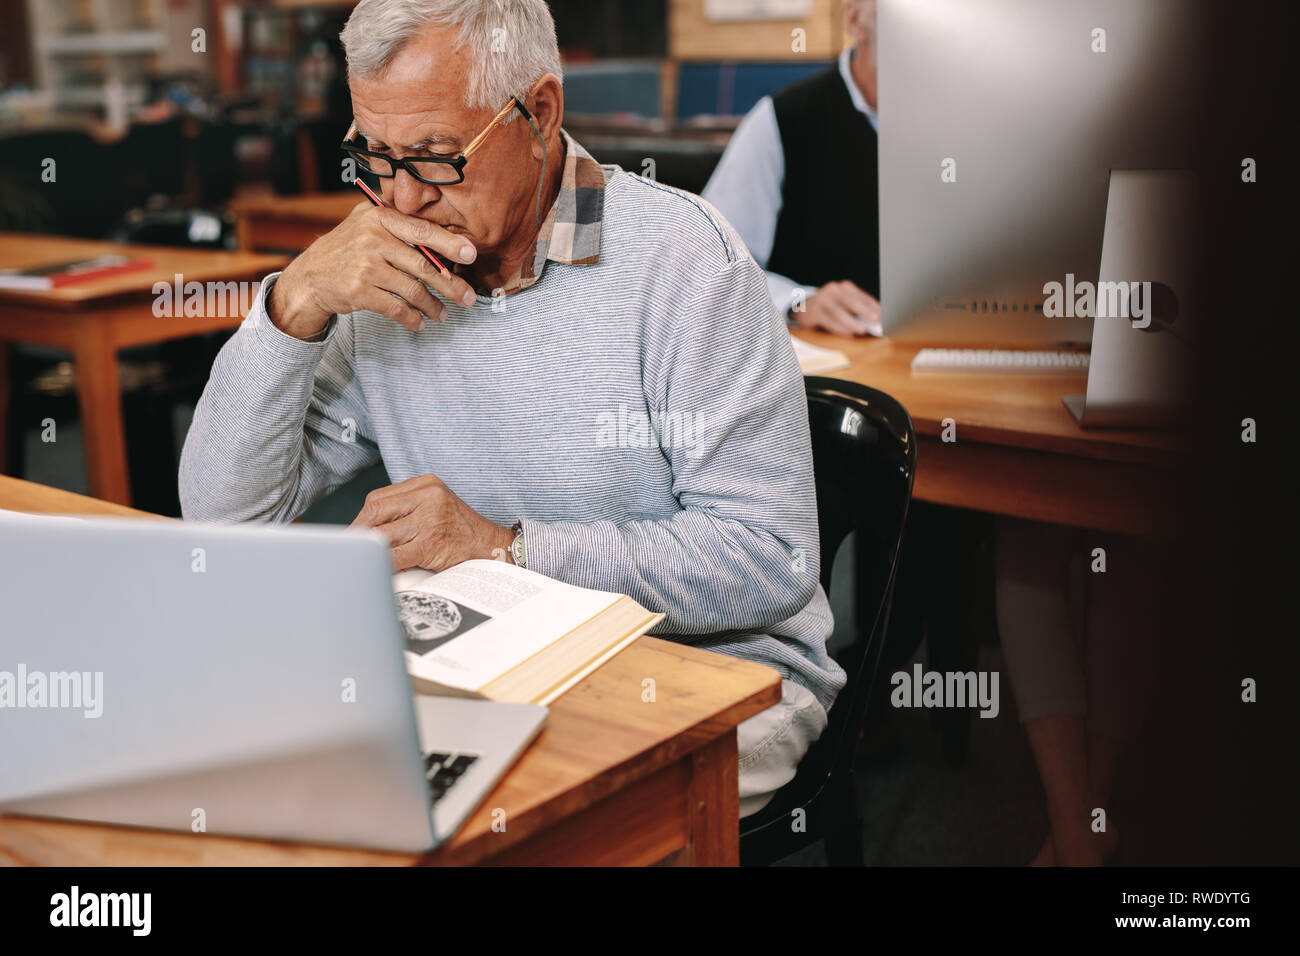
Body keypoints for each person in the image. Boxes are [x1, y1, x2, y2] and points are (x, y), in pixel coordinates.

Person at [178, 0, 845, 819]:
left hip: (711, 670)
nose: (400, 199)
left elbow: (768, 560)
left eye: (431, 157)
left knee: (469, 819)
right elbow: (222, 513)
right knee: (276, 774)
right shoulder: (382, 272)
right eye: (372, 155)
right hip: (486, 655)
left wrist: (507, 551)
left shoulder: (687, 266)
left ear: (539, 113)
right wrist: (294, 302)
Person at [703, 0, 882, 337]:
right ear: (856, 18)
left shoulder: (973, 121)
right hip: (833, 366)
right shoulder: (783, 119)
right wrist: (798, 301)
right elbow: (712, 264)